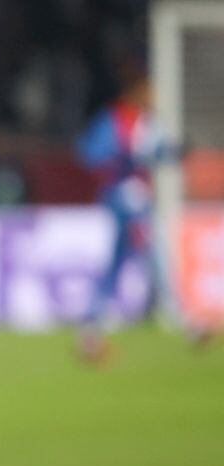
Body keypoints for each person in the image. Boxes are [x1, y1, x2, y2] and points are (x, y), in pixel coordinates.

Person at [76, 73, 166, 361]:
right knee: (150, 253)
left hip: (139, 196)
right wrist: (121, 157)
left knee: (121, 258)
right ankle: (171, 311)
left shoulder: (147, 122)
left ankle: (96, 317)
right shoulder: (115, 120)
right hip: (122, 197)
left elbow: (156, 153)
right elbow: (90, 152)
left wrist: (172, 152)